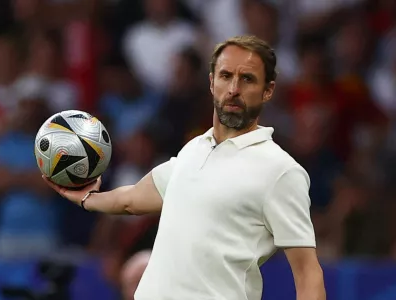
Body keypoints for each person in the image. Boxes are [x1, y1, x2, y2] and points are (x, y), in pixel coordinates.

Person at [43, 35, 326, 300]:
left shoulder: (280, 170)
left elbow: (307, 272)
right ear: (212, 82)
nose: (234, 89)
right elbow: (131, 200)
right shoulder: (194, 149)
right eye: (226, 76)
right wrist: (85, 198)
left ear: (268, 91)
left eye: (248, 79)